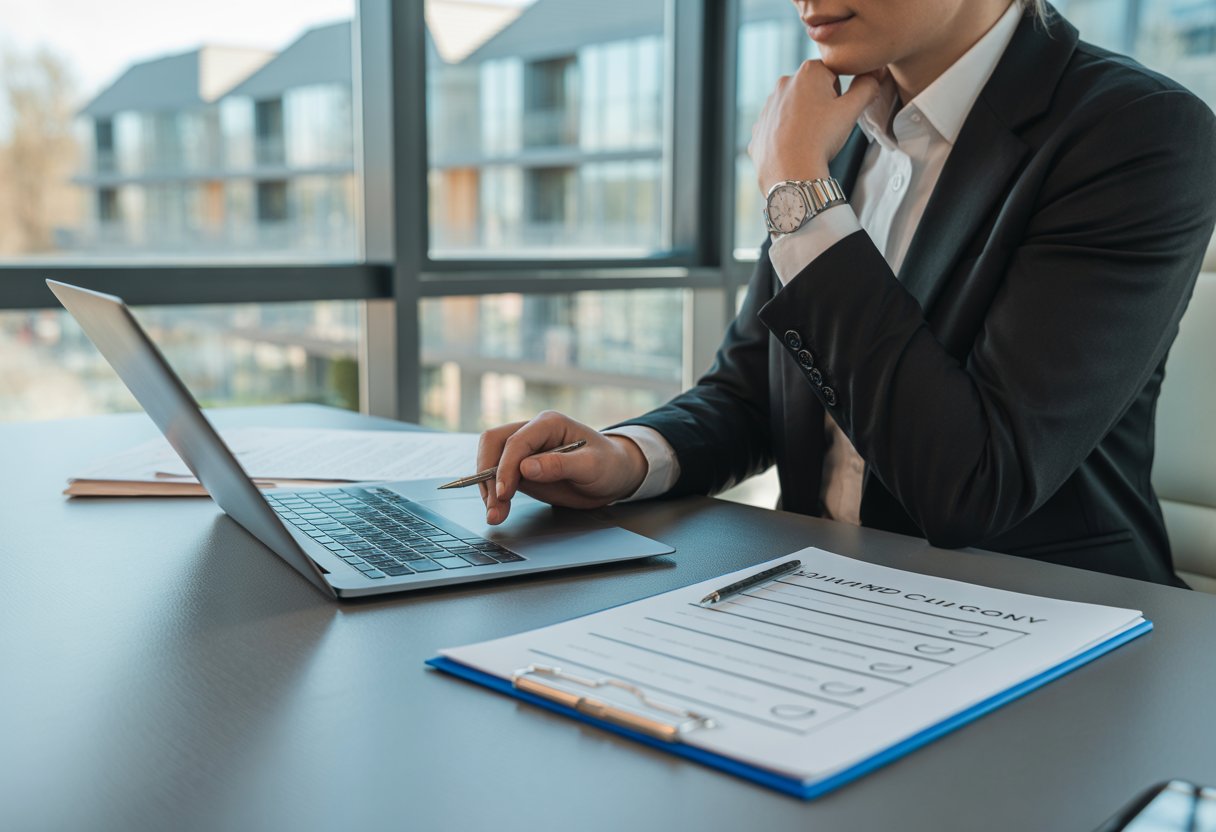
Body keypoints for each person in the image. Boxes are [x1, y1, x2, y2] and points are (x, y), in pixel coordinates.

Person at [475, 0, 1216, 586]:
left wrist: (798, 185)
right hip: (820, 600)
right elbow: (750, 393)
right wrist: (629, 458)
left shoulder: (1139, 133)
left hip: (1051, 620)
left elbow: (974, 483)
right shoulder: (841, 127)